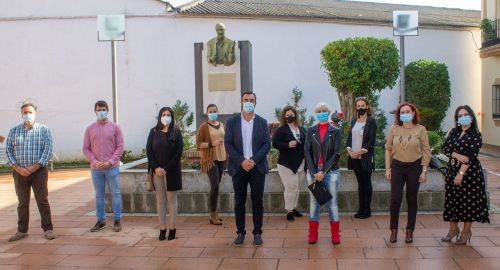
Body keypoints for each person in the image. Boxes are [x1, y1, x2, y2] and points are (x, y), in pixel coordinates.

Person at [224, 91, 271, 246]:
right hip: (239, 167)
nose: (249, 102)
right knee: (239, 201)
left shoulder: (262, 122)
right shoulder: (232, 122)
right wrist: (242, 161)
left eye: (251, 100)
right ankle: (240, 232)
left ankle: (257, 232)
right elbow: (228, 144)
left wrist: (253, 161)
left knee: (257, 201)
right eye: (246, 100)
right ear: (241, 101)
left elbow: (266, 144)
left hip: (257, 167)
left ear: (256, 102)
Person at [6, 103, 57, 241]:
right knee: (22, 202)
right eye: (25, 112)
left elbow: (47, 151)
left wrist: (34, 167)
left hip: (38, 171)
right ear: (21, 114)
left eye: (30, 112)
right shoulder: (14, 131)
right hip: (19, 172)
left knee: (42, 200)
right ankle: (22, 231)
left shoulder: (44, 130)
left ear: (35, 113)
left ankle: (48, 229)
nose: (27, 114)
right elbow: (8, 151)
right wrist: (18, 168)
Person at [441, 105, 489, 245]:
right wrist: (456, 154)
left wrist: (461, 174)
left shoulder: (476, 135)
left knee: (468, 203)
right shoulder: (454, 132)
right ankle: (453, 229)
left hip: (470, 174)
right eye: (459, 115)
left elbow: (470, 157)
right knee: (451, 201)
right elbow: (445, 148)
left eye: (465, 114)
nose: (463, 117)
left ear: (472, 117)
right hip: (452, 171)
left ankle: (466, 231)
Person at [385, 102, 431, 244]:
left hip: (415, 168)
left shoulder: (420, 129)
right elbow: (388, 149)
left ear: (413, 113)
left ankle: (410, 231)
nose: (405, 114)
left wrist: (424, 170)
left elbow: (426, 150)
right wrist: (388, 168)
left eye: (407, 111)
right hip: (398, 167)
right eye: (402, 112)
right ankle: (393, 231)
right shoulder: (394, 129)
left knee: (412, 199)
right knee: (395, 200)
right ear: (399, 115)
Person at [83, 100, 125, 233]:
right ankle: (101, 220)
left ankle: (117, 220)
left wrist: (111, 161)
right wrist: (94, 161)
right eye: (99, 109)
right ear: (95, 111)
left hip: (112, 167)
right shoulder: (90, 129)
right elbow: (86, 148)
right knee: (99, 195)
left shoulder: (115, 127)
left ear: (107, 110)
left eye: (103, 109)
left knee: (116, 193)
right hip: (96, 169)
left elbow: (120, 146)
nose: (101, 112)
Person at [304, 102, 342, 245]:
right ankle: (313, 234)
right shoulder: (310, 131)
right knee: (314, 203)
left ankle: (335, 234)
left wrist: (323, 171)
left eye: (324, 110)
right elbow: (306, 151)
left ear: (328, 112)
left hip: (330, 172)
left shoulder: (335, 131)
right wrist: (315, 172)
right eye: (319, 111)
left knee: (332, 203)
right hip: (313, 171)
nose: (322, 112)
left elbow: (337, 153)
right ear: (316, 113)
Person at [146, 107, 183, 241]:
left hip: (171, 172)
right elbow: (149, 151)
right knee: (160, 201)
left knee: (171, 200)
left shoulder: (177, 132)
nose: (166, 116)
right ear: (159, 116)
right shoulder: (154, 131)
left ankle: (172, 228)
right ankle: (162, 228)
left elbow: (178, 153)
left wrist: (166, 168)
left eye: (168, 115)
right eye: (163, 114)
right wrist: (156, 168)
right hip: (157, 172)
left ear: (172, 117)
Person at [272, 105, 306, 221]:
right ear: (284, 117)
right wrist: (287, 145)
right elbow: (275, 144)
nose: (290, 117)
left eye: (291, 115)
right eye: (287, 115)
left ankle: (294, 207)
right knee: (291, 187)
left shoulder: (302, 129)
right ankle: (289, 211)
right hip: (286, 164)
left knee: (297, 188)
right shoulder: (281, 130)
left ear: (295, 115)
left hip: (301, 163)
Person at [346, 97, 377, 219]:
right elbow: (349, 138)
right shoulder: (353, 121)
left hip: (365, 157)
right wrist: (349, 150)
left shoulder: (371, 122)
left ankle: (367, 210)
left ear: (367, 107)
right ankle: (360, 210)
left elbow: (371, 141)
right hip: (354, 158)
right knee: (360, 183)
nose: (360, 108)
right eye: (358, 106)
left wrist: (360, 152)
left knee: (366, 183)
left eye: (362, 106)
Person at [196, 104, 226, 225]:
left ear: (217, 112)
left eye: (214, 111)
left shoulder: (222, 125)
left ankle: (213, 213)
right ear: (207, 113)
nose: (213, 113)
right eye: (210, 111)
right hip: (210, 159)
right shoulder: (203, 126)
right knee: (215, 186)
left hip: (222, 158)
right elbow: (198, 144)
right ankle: (212, 214)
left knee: (216, 185)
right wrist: (211, 144)